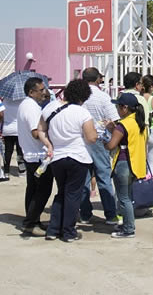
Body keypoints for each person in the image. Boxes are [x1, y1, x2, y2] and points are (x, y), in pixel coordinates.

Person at [42, 79, 98, 242]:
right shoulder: (82, 113)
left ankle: (53, 229)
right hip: (78, 157)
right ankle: (68, 231)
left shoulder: (50, 107)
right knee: (73, 195)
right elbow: (91, 137)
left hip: (57, 156)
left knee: (61, 193)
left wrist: (49, 144)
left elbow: (41, 129)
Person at [105, 92, 148, 238]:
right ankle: (128, 224)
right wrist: (113, 129)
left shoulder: (122, 125)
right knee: (127, 197)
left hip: (123, 163)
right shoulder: (139, 122)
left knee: (123, 198)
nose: (117, 109)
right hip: (135, 164)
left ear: (124, 108)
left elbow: (111, 145)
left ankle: (128, 229)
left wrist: (102, 140)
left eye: (118, 106)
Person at [80, 67, 119, 224]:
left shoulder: (78, 96)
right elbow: (113, 120)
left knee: (84, 179)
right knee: (104, 177)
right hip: (99, 138)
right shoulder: (103, 97)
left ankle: (85, 214)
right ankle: (110, 214)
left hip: (81, 139)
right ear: (97, 79)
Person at [19, 77, 54, 235]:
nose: (44, 93)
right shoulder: (31, 108)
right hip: (38, 155)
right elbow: (35, 132)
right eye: (41, 90)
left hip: (31, 154)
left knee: (33, 189)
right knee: (43, 190)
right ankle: (30, 222)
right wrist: (49, 141)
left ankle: (33, 220)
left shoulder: (26, 105)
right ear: (31, 92)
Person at [0, 97, 26, 177]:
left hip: (7, 129)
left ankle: (6, 171)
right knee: (20, 152)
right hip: (19, 129)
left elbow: (1, 113)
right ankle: (21, 170)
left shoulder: (5, 101)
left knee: (8, 151)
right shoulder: (22, 102)